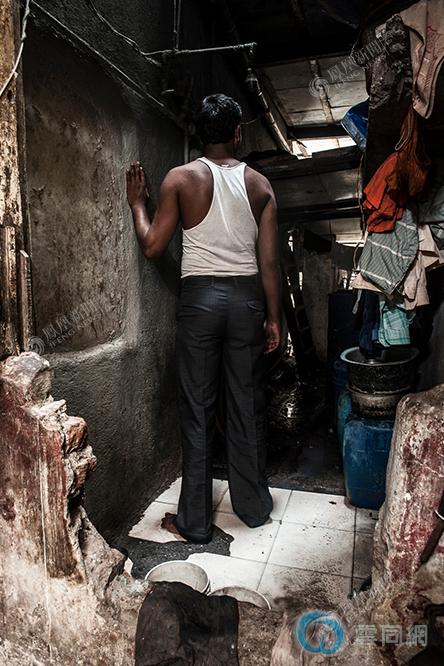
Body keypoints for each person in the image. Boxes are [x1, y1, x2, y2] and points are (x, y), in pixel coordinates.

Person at [126, 93, 281, 543]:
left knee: (198, 410)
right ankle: (253, 508)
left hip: (200, 303)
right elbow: (270, 263)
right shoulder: (261, 186)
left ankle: (194, 522)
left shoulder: (181, 178)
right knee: (247, 405)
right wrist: (274, 318)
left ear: (198, 133)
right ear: (237, 134)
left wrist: (137, 204)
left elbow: (153, 246)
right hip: (246, 302)